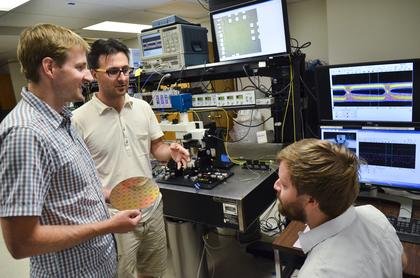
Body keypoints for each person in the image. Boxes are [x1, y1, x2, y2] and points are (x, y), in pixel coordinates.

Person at [0, 24, 142, 277]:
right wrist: (106, 226)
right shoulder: (26, 133)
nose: (89, 76)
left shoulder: (63, 118)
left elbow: (68, 188)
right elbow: (21, 243)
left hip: (97, 267)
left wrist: (109, 194)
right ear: (50, 68)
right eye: (79, 68)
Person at [72, 38, 190, 278]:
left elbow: (157, 147)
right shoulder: (78, 120)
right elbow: (81, 177)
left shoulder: (142, 107)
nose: (123, 78)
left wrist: (171, 152)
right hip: (114, 217)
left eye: (126, 70)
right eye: (113, 71)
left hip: (152, 208)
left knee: (153, 271)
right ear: (95, 74)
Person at [274, 138, 406, 278]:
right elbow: (402, 261)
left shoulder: (316, 273)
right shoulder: (373, 213)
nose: (276, 185)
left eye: (284, 184)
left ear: (312, 200)